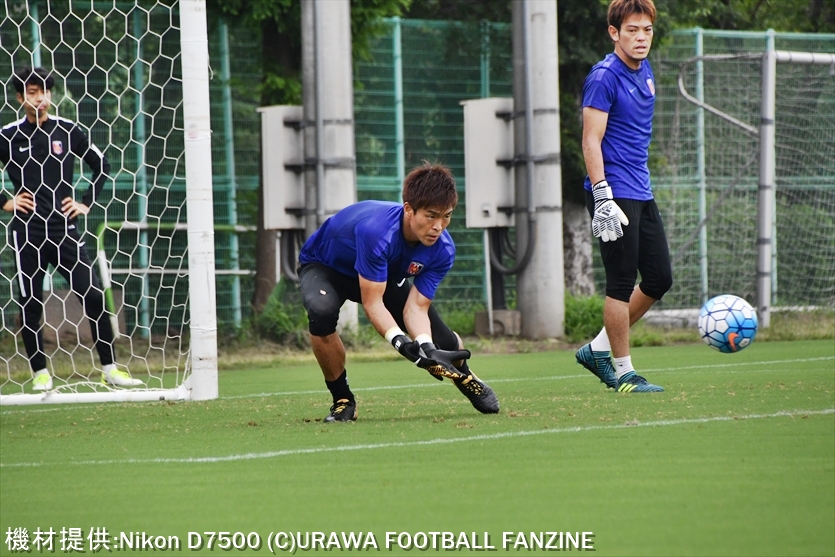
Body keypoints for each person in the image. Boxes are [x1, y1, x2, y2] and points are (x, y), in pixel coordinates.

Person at [297, 162, 499, 421]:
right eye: (431, 215)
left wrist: (426, 345)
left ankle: (465, 375)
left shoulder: (443, 249)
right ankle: (343, 399)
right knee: (321, 313)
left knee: (443, 344)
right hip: (327, 267)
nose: (439, 226)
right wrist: (400, 342)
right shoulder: (377, 233)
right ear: (408, 210)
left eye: (446, 216)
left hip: (381, 275)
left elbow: (416, 307)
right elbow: (373, 303)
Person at [1, 66, 141, 391]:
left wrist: (85, 202)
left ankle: (110, 369)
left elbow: (102, 165)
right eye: (34, 92)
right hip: (28, 234)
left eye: (46, 92)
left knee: (92, 294)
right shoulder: (8, 136)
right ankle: (40, 373)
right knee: (30, 303)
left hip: (65, 231)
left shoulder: (67, 131)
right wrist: (5, 202)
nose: (42, 98)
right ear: (21, 98)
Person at [575, 0, 672, 393]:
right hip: (612, 192)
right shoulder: (604, 77)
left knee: (659, 278)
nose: (641, 37)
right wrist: (602, 196)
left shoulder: (645, 70)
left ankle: (597, 347)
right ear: (614, 33)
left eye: (646, 30)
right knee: (620, 282)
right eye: (632, 30)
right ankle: (624, 372)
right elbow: (590, 140)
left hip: (641, 190)